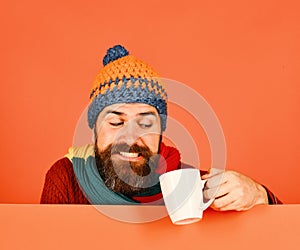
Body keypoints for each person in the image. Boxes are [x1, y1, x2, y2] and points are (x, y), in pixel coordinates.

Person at [40, 45, 281, 210]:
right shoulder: (67, 179)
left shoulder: (188, 183)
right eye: (116, 122)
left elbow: (283, 236)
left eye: (145, 123)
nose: (131, 136)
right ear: (94, 127)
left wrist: (259, 195)